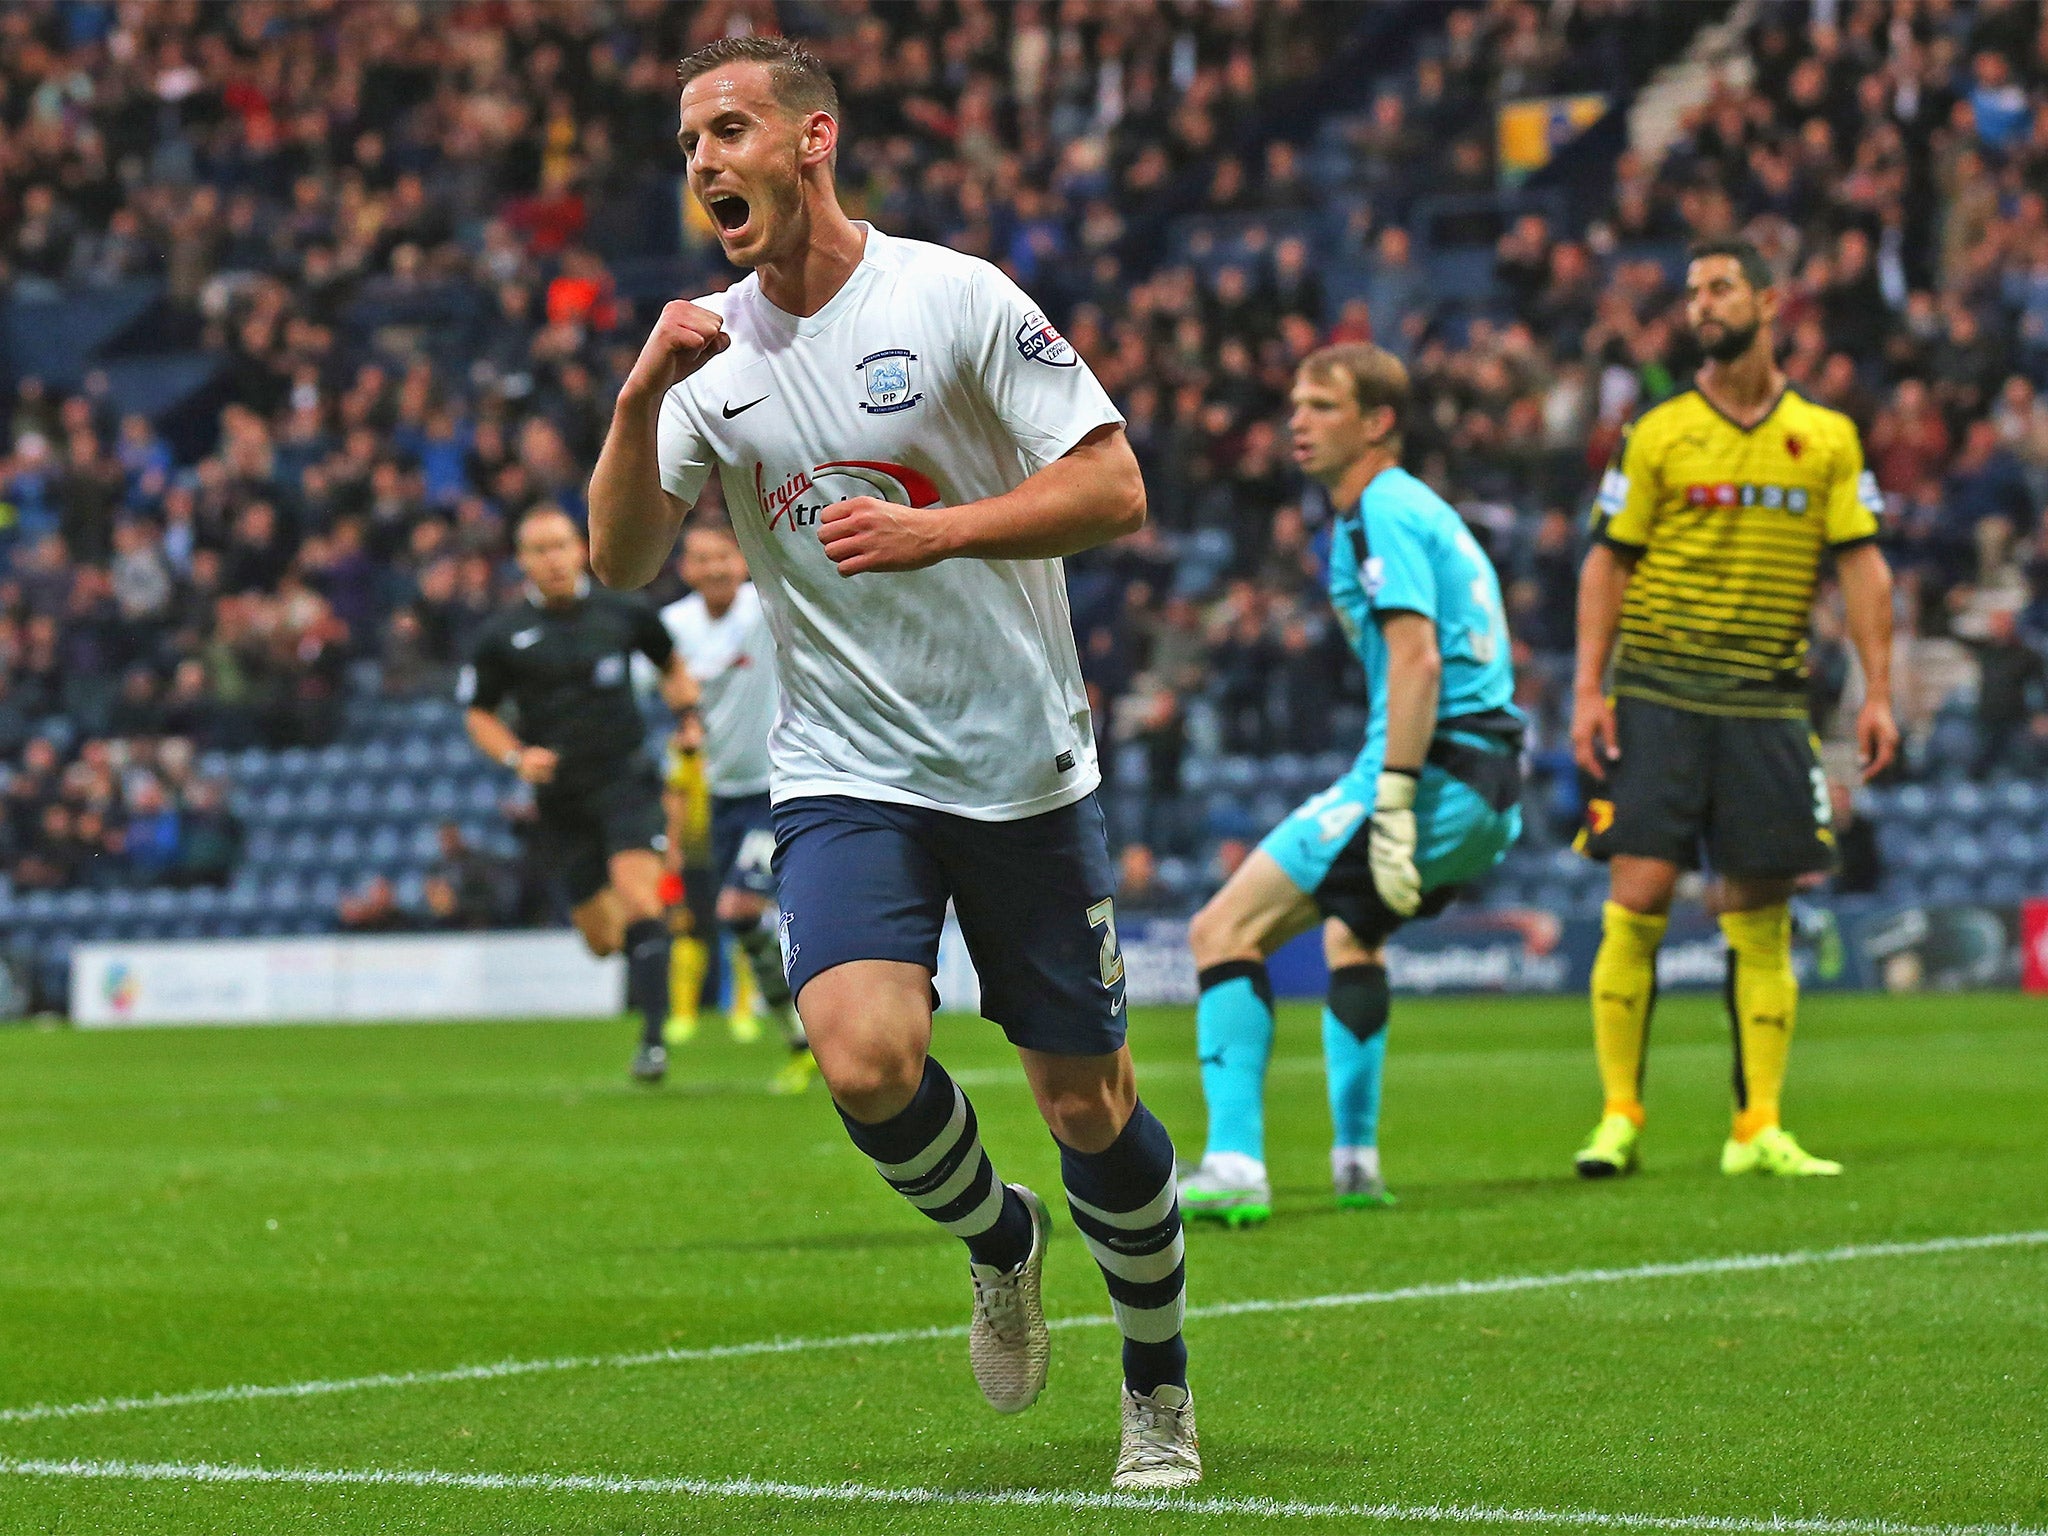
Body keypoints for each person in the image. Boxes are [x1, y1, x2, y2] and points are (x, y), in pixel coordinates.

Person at [585, 36, 1196, 1491]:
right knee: (862, 1055)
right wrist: (635, 395)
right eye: (687, 143)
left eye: (729, 128)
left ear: (812, 140)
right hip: (845, 769)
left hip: (1019, 763)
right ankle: (1001, 1241)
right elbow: (619, 560)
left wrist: (938, 528)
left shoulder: (954, 297)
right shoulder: (706, 358)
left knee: (1088, 1107)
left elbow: (1114, 484)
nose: (704, 162)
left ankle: (1158, 1379)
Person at [1570, 239, 1899, 1181]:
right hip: (1661, 694)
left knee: (1760, 910)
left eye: (1720, 288)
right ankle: (1619, 1118)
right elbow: (1606, 559)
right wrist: (1589, 688)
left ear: (1769, 300)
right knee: (1637, 896)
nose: (1702, 304)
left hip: (1766, 701)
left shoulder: (1828, 438)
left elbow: (1862, 564)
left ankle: (1757, 1126)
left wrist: (1878, 692)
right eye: (1692, 291)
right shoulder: (1659, 430)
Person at [1177, 343, 1524, 1226]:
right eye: (1295, 402)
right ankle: (1356, 1161)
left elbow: (1417, 660)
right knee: (1350, 940)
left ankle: (1234, 1165)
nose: (1298, 419)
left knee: (1223, 928)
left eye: (1323, 405)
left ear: (1378, 424)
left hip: (1432, 768)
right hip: (1489, 778)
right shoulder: (1422, 509)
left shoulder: (1377, 511)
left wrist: (1398, 801)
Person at [459, 504, 697, 1083]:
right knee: (600, 937)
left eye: (562, 545)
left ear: (581, 548)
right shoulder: (501, 636)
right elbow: (479, 714)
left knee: (642, 899)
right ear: (522, 562)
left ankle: (652, 1043)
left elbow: (672, 665)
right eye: (539, 550)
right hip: (561, 799)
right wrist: (517, 756)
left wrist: (687, 717)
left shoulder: (623, 610)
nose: (554, 559)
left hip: (626, 779)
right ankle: (655, 955)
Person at [659, 521, 815, 1094]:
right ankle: (800, 1039)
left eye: (724, 556)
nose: (716, 568)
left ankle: (814, 1023)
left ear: (743, 560)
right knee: (743, 921)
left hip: (778, 784)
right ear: (686, 569)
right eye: (702, 559)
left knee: (736, 906)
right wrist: (684, 721)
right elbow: (662, 686)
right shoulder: (673, 627)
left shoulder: (764, 606)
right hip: (719, 792)